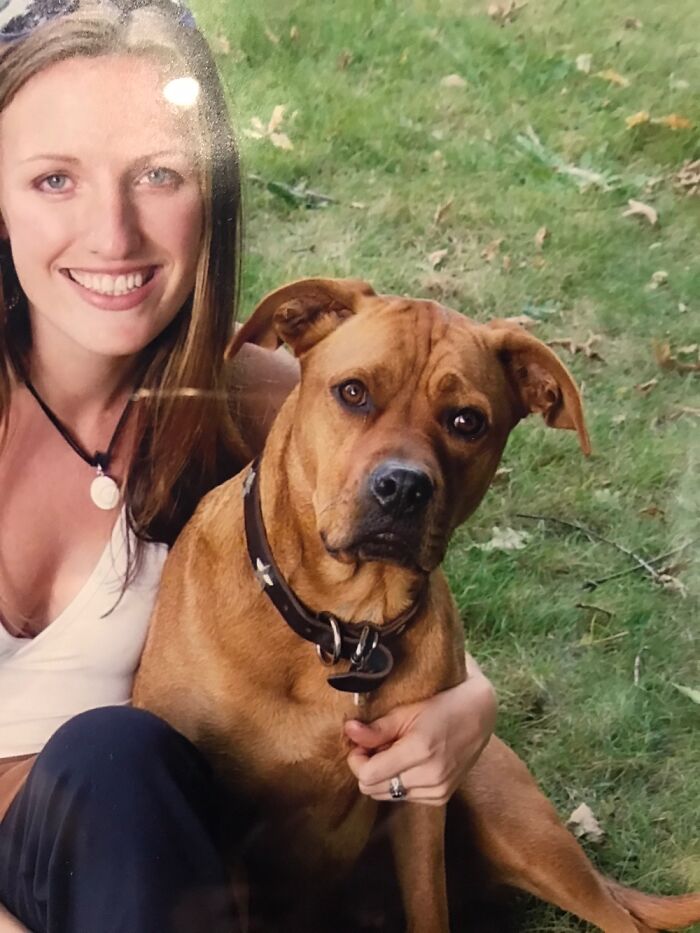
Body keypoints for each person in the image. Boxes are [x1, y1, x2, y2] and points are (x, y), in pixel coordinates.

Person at [0, 0, 498, 930]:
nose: (112, 233)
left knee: (116, 757)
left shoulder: (268, 398)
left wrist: (471, 703)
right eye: (54, 178)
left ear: (214, 199)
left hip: (128, 856)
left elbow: (387, 576)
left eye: (158, 174)